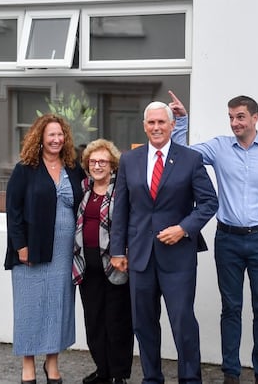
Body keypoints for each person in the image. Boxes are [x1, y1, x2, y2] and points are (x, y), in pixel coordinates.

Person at [169, 92, 258, 384]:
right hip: (228, 239)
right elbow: (181, 153)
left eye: (241, 117)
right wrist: (181, 120)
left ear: (255, 118)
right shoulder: (219, 147)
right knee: (231, 308)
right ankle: (231, 373)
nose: (235, 122)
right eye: (231, 117)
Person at [109, 101, 219, 384]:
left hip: (178, 256)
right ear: (144, 126)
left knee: (182, 321)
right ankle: (152, 378)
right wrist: (117, 250)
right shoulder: (129, 160)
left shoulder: (190, 159)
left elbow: (209, 202)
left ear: (172, 125)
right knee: (143, 324)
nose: (156, 127)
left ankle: (190, 378)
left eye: (161, 122)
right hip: (140, 256)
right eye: (151, 123)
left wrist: (184, 228)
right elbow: (121, 208)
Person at [4, 113, 86, 384]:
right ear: (40, 137)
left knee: (57, 307)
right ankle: (28, 364)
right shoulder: (25, 169)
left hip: (65, 252)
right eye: (51, 134)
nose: (56, 139)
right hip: (32, 251)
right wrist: (21, 247)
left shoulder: (73, 168)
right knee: (29, 307)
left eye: (60, 134)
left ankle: (52, 364)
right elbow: (13, 211)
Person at [73, 139, 134, 384]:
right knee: (94, 320)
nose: (97, 165)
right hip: (86, 265)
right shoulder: (83, 187)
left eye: (103, 161)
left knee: (117, 321)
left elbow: (130, 223)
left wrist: (127, 252)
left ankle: (119, 374)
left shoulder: (121, 190)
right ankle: (102, 371)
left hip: (115, 263)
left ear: (112, 165)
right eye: (93, 161)